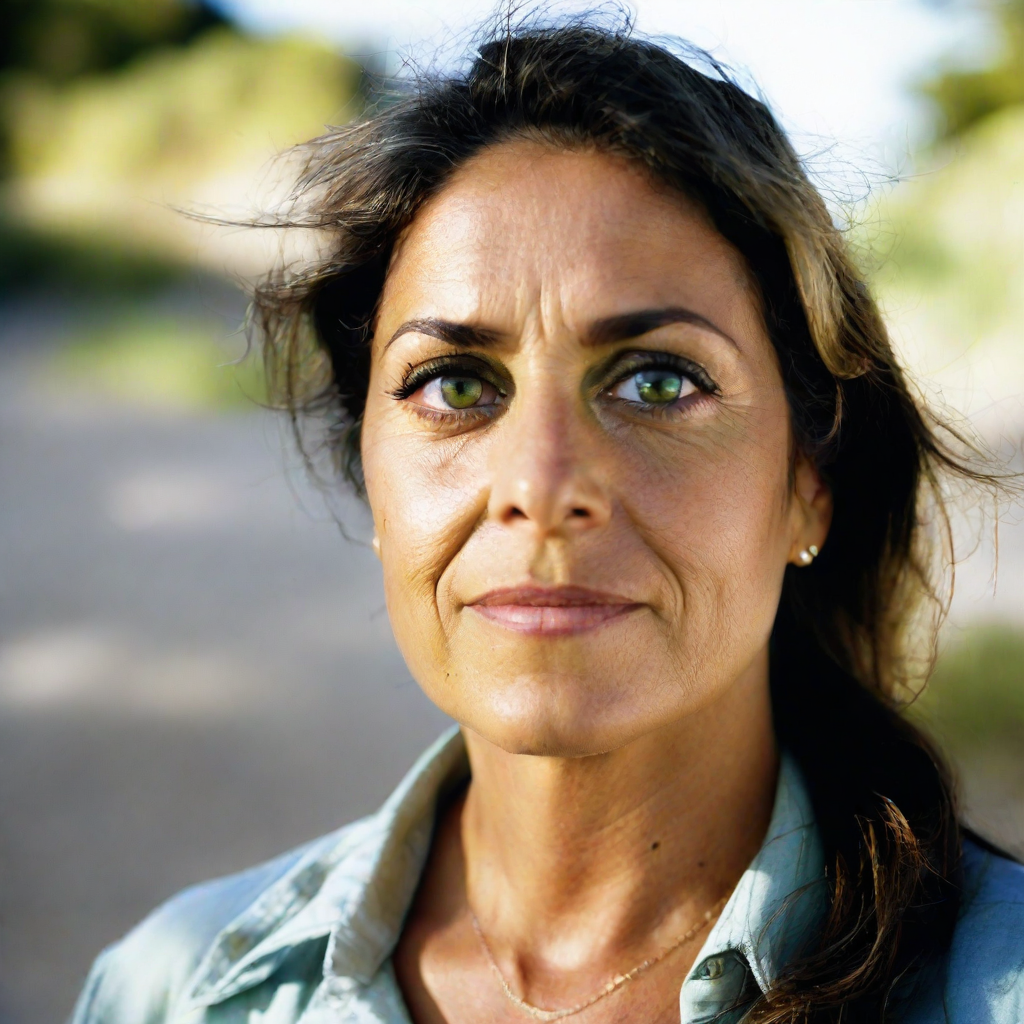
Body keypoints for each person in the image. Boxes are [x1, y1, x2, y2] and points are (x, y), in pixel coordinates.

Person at [70, 16, 1024, 1024]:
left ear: (809, 481)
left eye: (658, 381)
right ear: (374, 478)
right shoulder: (167, 991)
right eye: (453, 384)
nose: (540, 480)